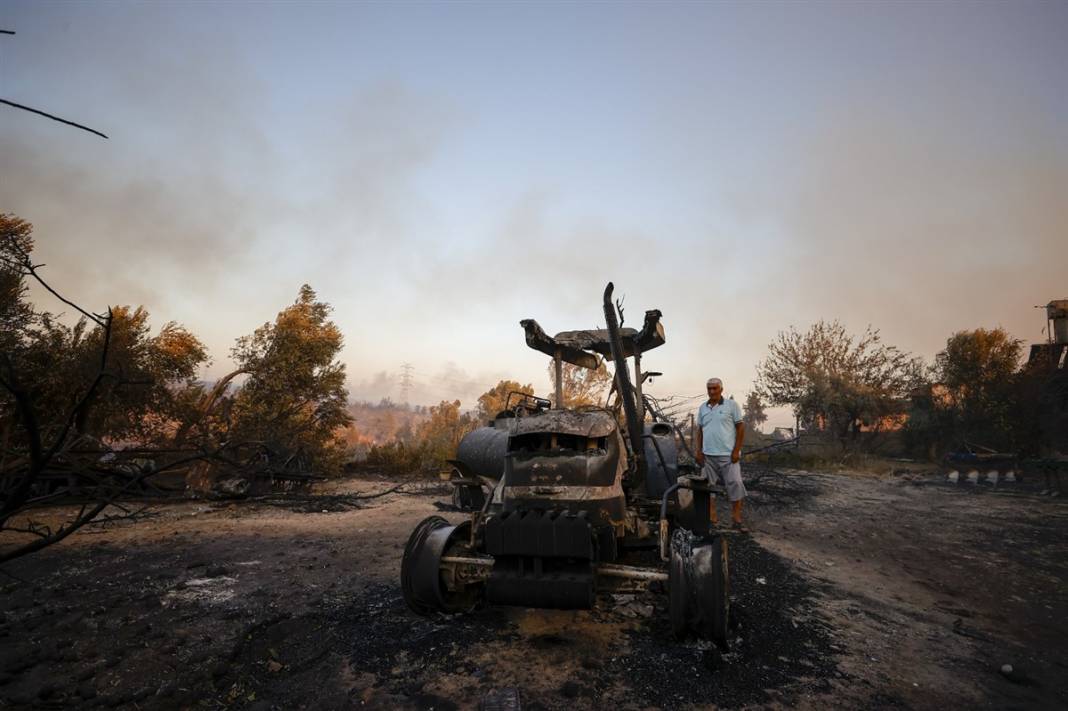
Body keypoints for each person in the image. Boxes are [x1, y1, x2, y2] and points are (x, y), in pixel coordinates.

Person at [695, 378, 747, 530]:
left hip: (728, 455)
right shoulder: (703, 408)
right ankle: (712, 518)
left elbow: (740, 427)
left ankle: (736, 519)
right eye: (709, 388)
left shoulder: (731, 405)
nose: (712, 391)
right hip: (708, 456)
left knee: (736, 483)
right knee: (707, 487)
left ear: (721, 389)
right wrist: (699, 451)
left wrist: (736, 450)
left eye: (715, 388)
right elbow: (700, 431)